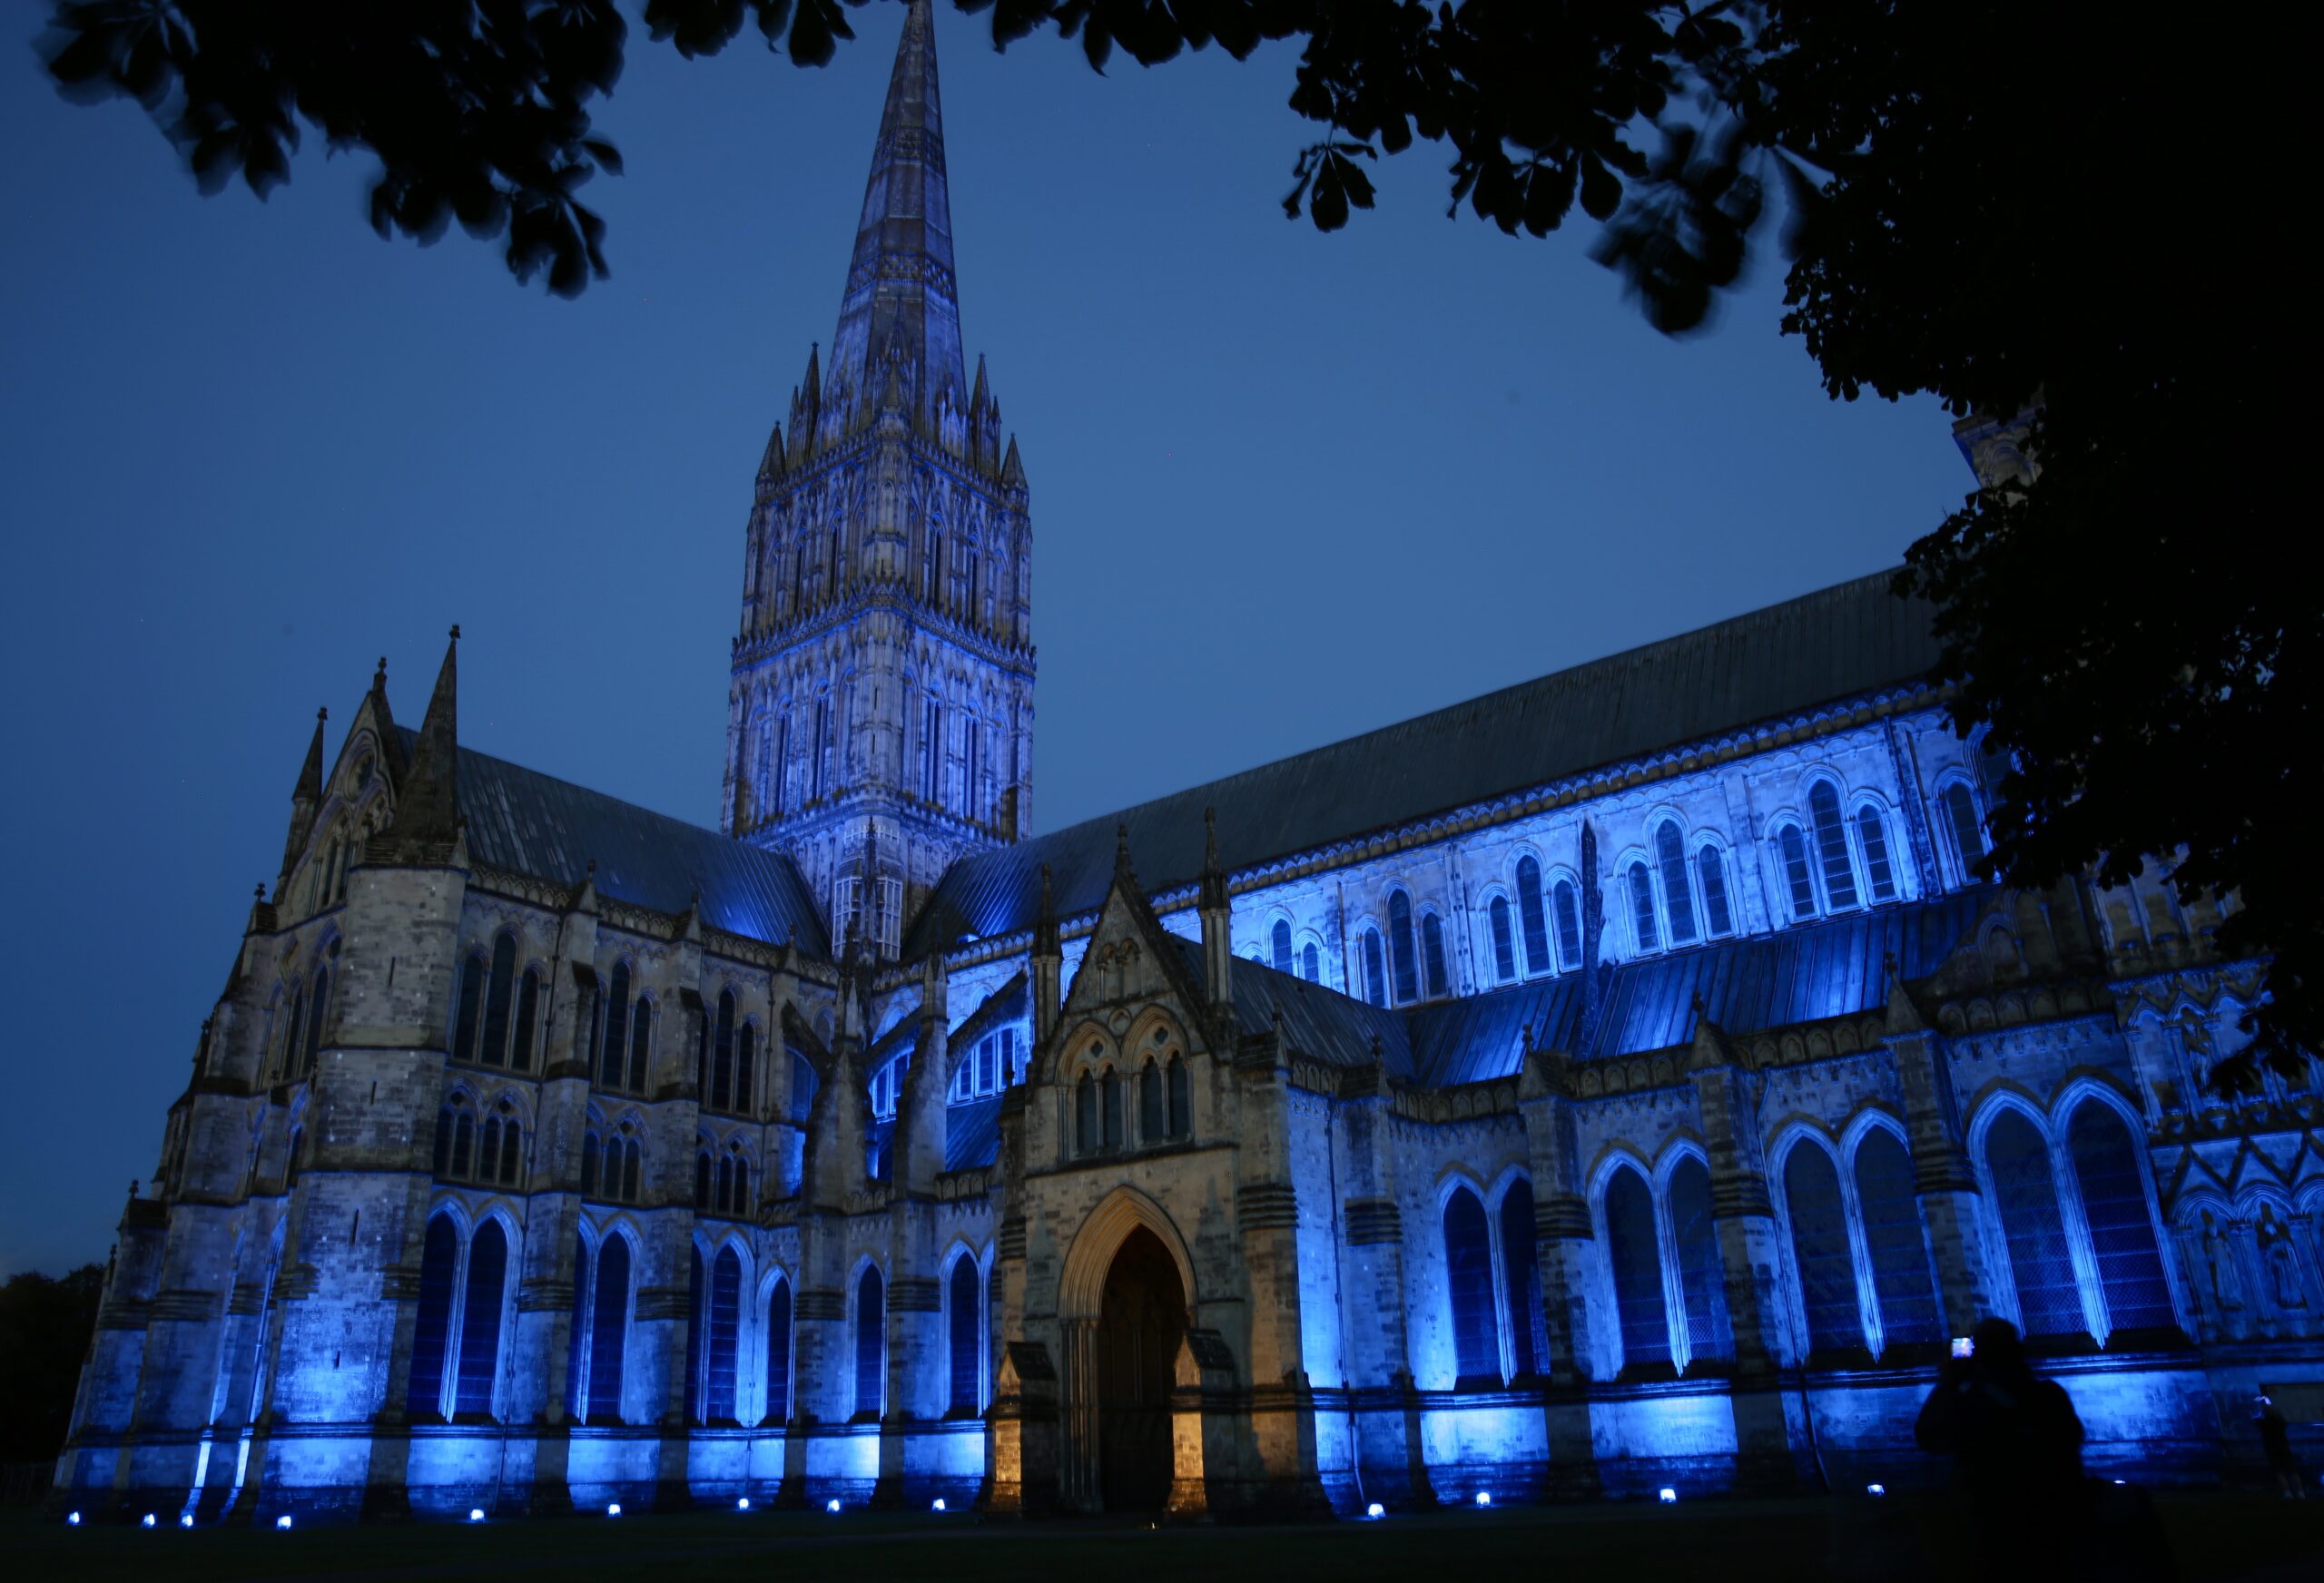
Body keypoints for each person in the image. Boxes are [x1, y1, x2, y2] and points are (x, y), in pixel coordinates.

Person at [1915, 1317, 2089, 1576]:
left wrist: (1950, 1380)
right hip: (2048, 1511)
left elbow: (1929, 1437)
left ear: (1979, 1353)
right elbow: (2071, 1439)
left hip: (1991, 1512)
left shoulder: (1967, 1399)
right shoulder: (2047, 1394)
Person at [2254, 1395, 2306, 1499]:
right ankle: (2300, 1492)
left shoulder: (2263, 1423)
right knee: (2292, 1471)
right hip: (2284, 1447)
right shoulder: (2280, 1421)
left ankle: (2287, 1492)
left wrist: (2262, 1410)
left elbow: (2256, 1419)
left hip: (2272, 1449)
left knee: (2279, 1472)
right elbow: (2283, 1420)